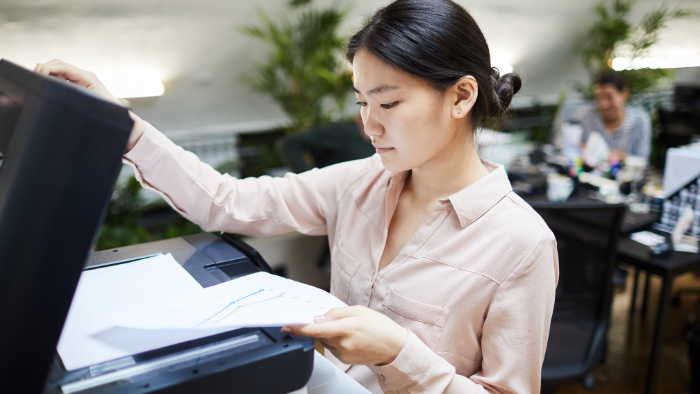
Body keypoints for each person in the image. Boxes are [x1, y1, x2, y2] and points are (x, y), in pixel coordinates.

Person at [36, 0, 558, 392]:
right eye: (361, 102)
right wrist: (123, 126)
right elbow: (229, 202)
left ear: (462, 96)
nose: (369, 125)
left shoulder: (521, 244)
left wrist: (400, 353)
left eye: (389, 102)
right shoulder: (360, 182)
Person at [579, 73, 652, 161]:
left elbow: (642, 160)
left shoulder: (639, 121)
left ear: (624, 94)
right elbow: (577, 149)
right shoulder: (589, 117)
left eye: (609, 97)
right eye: (599, 98)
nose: (603, 104)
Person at [279, 114, 375, 173]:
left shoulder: (381, 139)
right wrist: (307, 177)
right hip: (336, 195)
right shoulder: (341, 132)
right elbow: (290, 144)